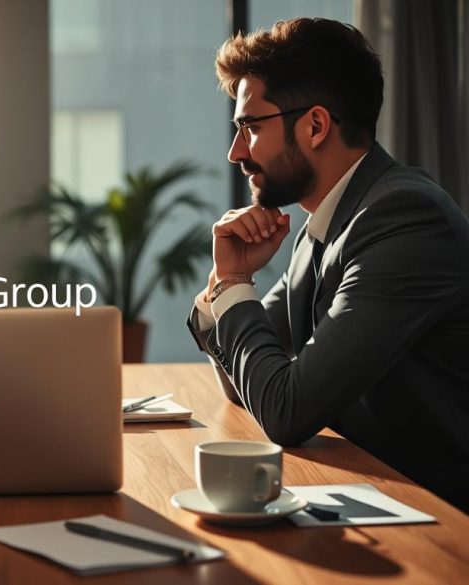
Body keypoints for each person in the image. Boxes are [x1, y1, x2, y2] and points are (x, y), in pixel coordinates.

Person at [187, 18, 469, 512]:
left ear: (315, 125)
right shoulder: (330, 221)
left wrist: (235, 283)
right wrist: (226, 283)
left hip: (439, 515)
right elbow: (242, 385)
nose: (236, 153)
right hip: (376, 493)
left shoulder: (403, 218)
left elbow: (286, 411)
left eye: (250, 128)